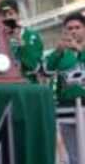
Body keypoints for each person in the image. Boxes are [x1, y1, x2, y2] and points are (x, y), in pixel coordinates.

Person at [46, 12, 85, 164]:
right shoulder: (60, 53)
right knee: (74, 155)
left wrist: (80, 50)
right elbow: (45, 72)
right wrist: (57, 53)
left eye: (77, 27)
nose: (73, 31)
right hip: (66, 109)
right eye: (69, 28)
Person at [0, 0, 44, 83]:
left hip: (29, 86)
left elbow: (36, 67)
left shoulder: (32, 36)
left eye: (11, 14)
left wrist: (22, 44)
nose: (8, 18)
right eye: (4, 15)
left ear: (18, 15)